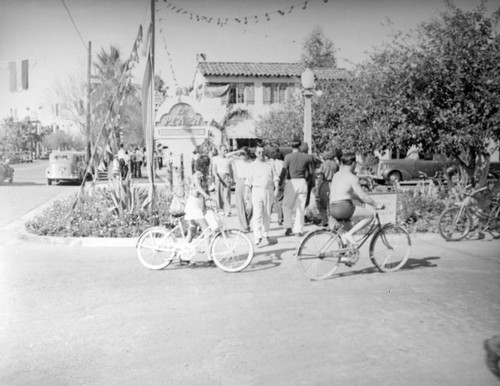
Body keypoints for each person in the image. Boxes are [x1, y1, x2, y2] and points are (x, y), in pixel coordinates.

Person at [329, 152, 384, 246]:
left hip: (332, 207)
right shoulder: (352, 177)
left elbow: (347, 193)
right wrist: (376, 204)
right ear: (354, 164)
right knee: (370, 215)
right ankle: (348, 235)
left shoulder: (337, 175)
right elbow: (363, 196)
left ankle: (344, 255)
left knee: (347, 229)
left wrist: (359, 199)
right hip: (343, 207)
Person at [245, 145, 279, 246]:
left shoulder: (270, 163)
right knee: (257, 214)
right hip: (257, 191)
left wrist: (277, 188)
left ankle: (265, 234)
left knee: (267, 213)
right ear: (255, 153)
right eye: (259, 152)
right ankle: (257, 236)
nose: (261, 154)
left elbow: (275, 177)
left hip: (268, 191)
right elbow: (248, 181)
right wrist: (247, 196)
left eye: (263, 152)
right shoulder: (252, 165)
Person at [280, 139, 314, 237]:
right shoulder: (307, 157)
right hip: (302, 182)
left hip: (291, 182)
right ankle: (298, 230)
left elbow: (284, 171)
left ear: (291, 146)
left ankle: (288, 227)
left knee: (287, 206)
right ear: (299, 146)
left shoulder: (288, 157)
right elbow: (311, 173)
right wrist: (306, 180)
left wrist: (279, 184)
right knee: (301, 207)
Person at [183, 155, 213, 263]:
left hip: (197, 204)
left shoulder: (204, 176)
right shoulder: (197, 175)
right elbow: (198, 187)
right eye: (208, 164)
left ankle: (184, 255)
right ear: (204, 165)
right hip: (193, 205)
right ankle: (210, 257)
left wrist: (207, 200)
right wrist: (205, 195)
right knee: (207, 230)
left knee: (192, 231)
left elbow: (206, 189)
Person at [228, 147, 252, 232]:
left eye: (244, 154)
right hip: (240, 181)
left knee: (251, 205)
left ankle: (246, 222)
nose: (242, 156)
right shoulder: (236, 160)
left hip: (249, 182)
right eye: (241, 154)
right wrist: (238, 151)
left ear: (247, 154)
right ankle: (244, 226)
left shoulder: (250, 162)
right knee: (240, 204)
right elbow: (226, 155)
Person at [316, 149, 341, 227]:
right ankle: (332, 222)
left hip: (325, 184)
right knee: (332, 205)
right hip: (334, 184)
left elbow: (321, 177)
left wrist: (317, 188)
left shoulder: (323, 165)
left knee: (322, 204)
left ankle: (325, 221)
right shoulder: (336, 165)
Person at [211, 145, 234, 216]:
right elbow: (214, 169)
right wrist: (216, 176)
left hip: (226, 176)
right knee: (219, 194)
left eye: (226, 150)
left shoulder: (228, 159)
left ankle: (228, 210)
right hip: (219, 176)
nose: (225, 151)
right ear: (220, 151)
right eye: (224, 150)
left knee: (226, 194)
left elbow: (231, 170)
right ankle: (220, 209)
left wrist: (232, 178)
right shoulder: (215, 158)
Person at [269, 148, 284, 225]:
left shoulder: (271, 162)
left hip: (273, 183)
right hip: (280, 183)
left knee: (271, 202)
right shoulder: (283, 163)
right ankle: (280, 218)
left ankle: (268, 217)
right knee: (279, 202)